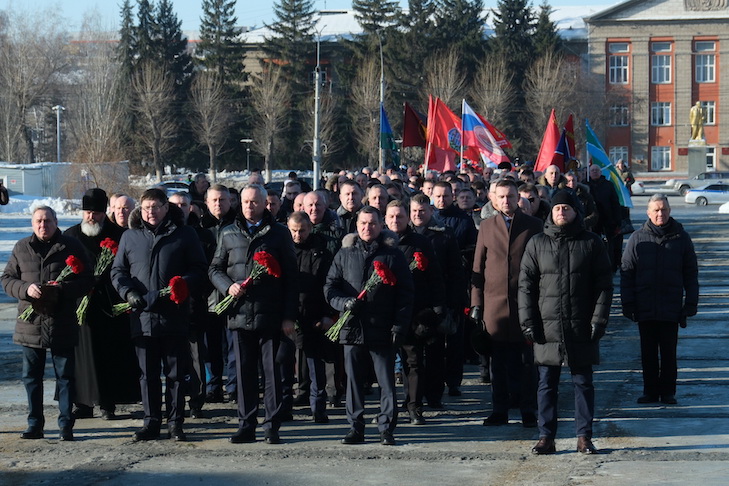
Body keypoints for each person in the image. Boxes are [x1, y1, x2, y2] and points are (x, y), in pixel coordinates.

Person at [519, 190, 612, 455]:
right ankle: (546, 436)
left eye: (566, 208)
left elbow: (604, 286)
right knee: (546, 384)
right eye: (557, 208)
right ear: (551, 212)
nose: (562, 212)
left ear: (575, 212)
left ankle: (584, 436)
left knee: (583, 383)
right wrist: (528, 322)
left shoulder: (591, 242)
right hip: (546, 326)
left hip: (580, 325)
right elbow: (525, 287)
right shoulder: (537, 243)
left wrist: (599, 320)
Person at [111, 188, 208, 442]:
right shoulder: (130, 236)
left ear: (166, 208)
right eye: (146, 208)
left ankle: (175, 423)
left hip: (173, 315)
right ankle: (151, 422)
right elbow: (118, 271)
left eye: (155, 207)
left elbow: (199, 269)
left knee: (175, 374)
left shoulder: (184, 234)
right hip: (142, 316)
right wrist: (128, 292)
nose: (150, 212)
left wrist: (182, 284)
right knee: (148, 375)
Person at [208, 184, 298, 445]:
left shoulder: (278, 233)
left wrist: (288, 316)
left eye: (254, 202)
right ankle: (246, 425)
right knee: (244, 373)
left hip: (271, 314)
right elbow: (214, 269)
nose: (249, 206)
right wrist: (228, 286)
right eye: (246, 202)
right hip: (239, 314)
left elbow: (291, 278)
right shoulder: (228, 232)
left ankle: (271, 426)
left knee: (272, 373)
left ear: (264, 203)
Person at [2, 206, 93, 441]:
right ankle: (35, 424)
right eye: (39, 221)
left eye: (48, 221)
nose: (43, 225)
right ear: (33, 224)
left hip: (62, 322)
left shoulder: (71, 246)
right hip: (30, 325)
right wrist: (25, 289)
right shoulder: (22, 247)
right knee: (31, 377)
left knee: (65, 377)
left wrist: (61, 289)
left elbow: (87, 280)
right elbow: (7, 279)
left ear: (56, 221)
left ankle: (66, 425)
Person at [325, 206, 414, 445]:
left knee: (386, 382)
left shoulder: (392, 255)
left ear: (380, 225)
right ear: (356, 226)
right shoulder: (344, 253)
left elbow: (405, 294)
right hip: (352, 327)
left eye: (372, 223)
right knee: (353, 381)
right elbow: (330, 287)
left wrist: (399, 326)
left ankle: (386, 428)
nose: (367, 228)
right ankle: (356, 427)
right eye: (363, 223)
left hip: (382, 328)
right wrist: (344, 303)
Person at [470, 180, 543, 428]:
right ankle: (499, 410)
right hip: (494, 306)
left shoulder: (533, 225)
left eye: (510, 196)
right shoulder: (486, 226)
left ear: (518, 198)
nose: (506, 201)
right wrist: (476, 304)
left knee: (526, 363)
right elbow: (478, 268)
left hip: (525, 304)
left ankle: (528, 410)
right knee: (497, 363)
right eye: (501, 197)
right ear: (493, 199)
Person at [64, 188, 139, 421]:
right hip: (81, 305)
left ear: (104, 212)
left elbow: (127, 267)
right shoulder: (71, 236)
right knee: (82, 356)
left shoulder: (119, 234)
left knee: (110, 355)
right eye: (87, 212)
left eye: (95, 213)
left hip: (110, 303)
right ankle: (83, 403)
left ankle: (108, 403)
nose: (91, 217)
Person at [621, 194, 699, 405]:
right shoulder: (637, 238)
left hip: (670, 306)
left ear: (669, 211)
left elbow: (690, 272)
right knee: (647, 353)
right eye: (656, 210)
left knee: (668, 352)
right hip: (645, 305)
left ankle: (667, 392)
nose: (660, 214)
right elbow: (627, 272)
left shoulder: (681, 238)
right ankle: (650, 391)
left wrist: (691, 303)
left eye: (663, 209)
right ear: (648, 213)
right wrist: (628, 303)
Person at [385, 200, 445, 425]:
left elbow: (434, 276)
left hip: (413, 311)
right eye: (391, 217)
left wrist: (437, 308)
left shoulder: (420, 242)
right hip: (385, 313)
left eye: (400, 216)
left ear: (407, 218)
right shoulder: (379, 242)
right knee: (385, 364)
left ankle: (414, 406)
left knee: (414, 362)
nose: (395, 220)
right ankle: (388, 409)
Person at [410, 193, 463, 408]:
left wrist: (453, 303)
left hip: (437, 302)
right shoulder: (403, 233)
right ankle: (412, 396)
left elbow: (456, 271)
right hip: (412, 302)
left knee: (435, 352)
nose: (418, 215)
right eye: (414, 211)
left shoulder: (444, 234)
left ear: (431, 211)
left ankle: (434, 395)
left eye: (422, 211)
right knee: (412, 355)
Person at [168, 191, 216, 419]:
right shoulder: (164, 233)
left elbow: (209, 268)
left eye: (183, 205)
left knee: (196, 355)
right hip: (168, 305)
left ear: (191, 207)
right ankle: (173, 401)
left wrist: (198, 291)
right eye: (175, 205)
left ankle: (197, 400)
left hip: (195, 303)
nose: (180, 208)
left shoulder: (203, 235)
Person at [287, 211, 336, 423]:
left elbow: (328, 284)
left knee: (316, 365)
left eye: (302, 231)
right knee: (286, 364)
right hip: (290, 315)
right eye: (294, 231)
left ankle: (318, 408)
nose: (298, 235)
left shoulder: (322, 250)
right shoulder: (284, 250)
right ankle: (285, 406)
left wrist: (328, 314)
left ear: (310, 229)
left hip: (314, 315)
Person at [200, 184, 238, 404]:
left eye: (222, 200)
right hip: (208, 295)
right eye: (214, 200)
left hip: (233, 292)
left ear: (230, 201)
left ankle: (233, 386)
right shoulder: (200, 228)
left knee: (233, 345)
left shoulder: (237, 225)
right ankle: (213, 386)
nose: (218, 204)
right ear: (207, 202)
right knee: (210, 346)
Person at [587, 164, 622, 272]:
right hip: (592, 222)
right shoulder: (585, 185)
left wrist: (617, 221)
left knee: (609, 246)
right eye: (592, 170)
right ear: (589, 173)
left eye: (596, 170)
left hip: (608, 221)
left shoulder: (608, 185)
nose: (594, 172)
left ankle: (610, 267)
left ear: (600, 172)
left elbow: (615, 203)